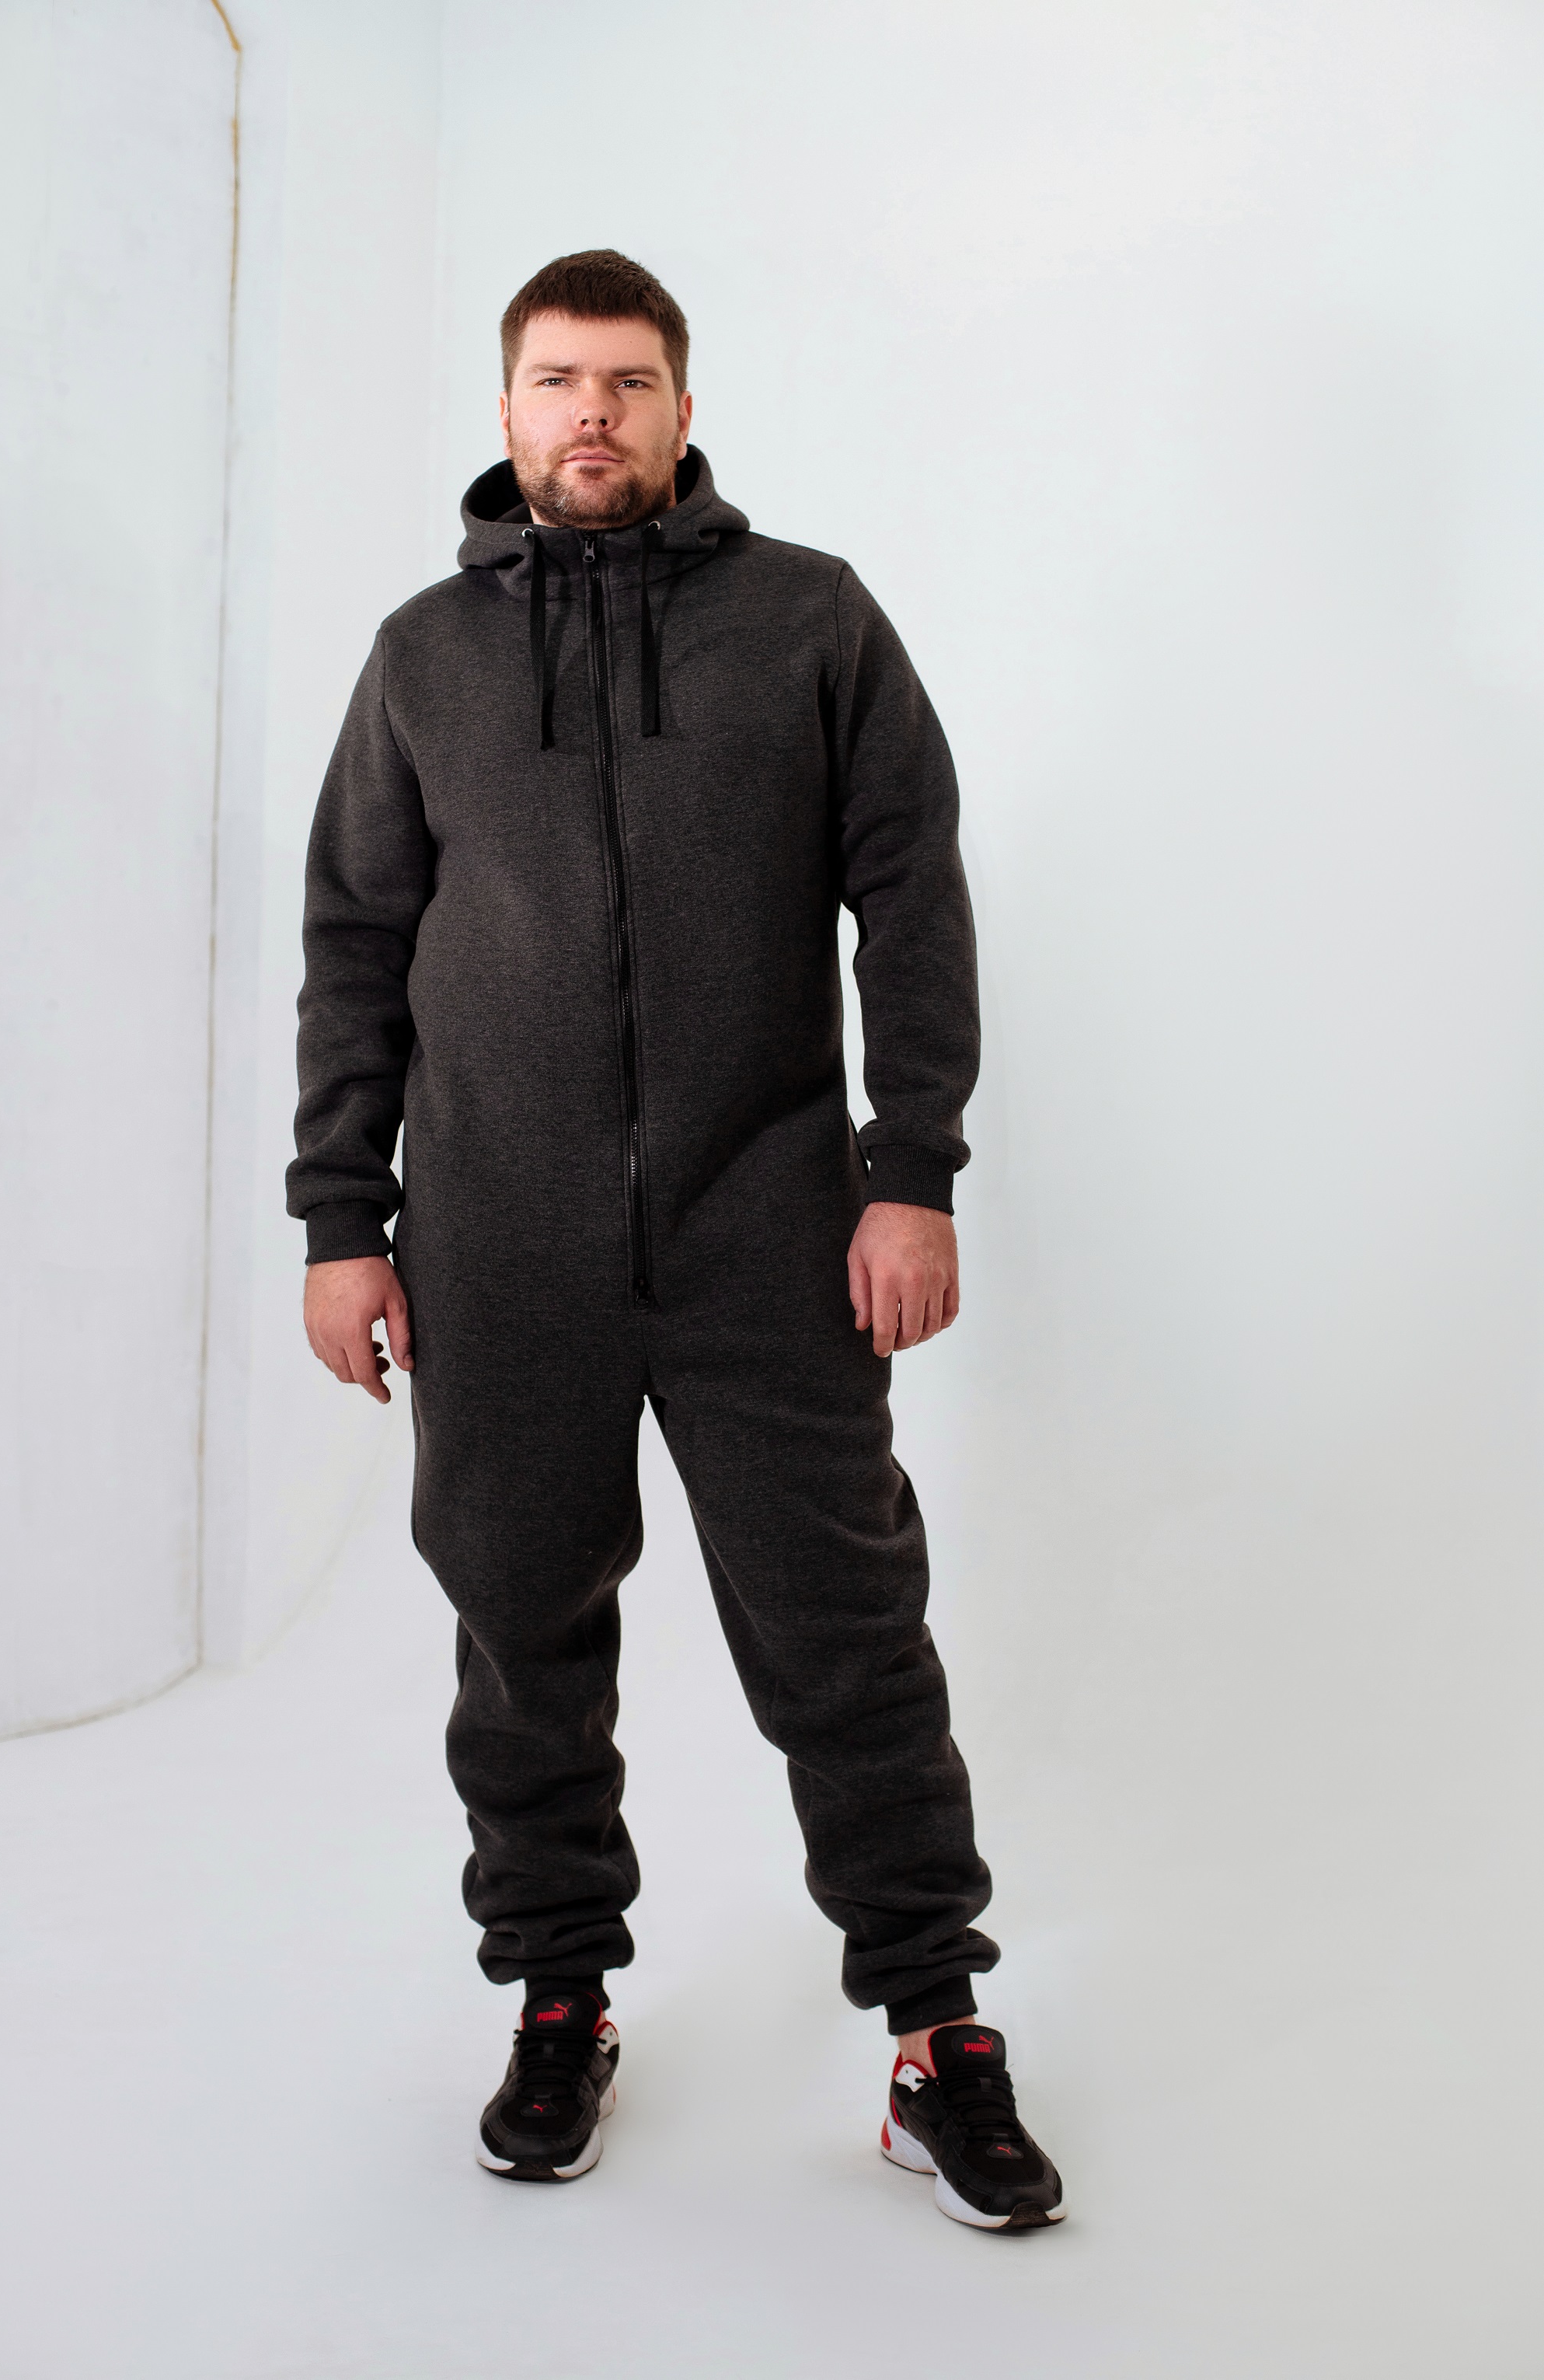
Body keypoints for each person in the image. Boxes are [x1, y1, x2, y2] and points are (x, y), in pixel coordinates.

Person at [288, 249, 1064, 2232]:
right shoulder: (421, 657)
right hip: (497, 1246)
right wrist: (341, 1218)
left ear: (683, 407)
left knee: (845, 1636)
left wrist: (910, 1170)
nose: (593, 413)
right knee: (521, 1642)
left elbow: (911, 892)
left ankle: (937, 2032)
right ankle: (558, 1999)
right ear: (505, 410)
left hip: (769, 1233)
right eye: (558, 380)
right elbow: (357, 945)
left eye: (627, 381)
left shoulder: (809, 618)